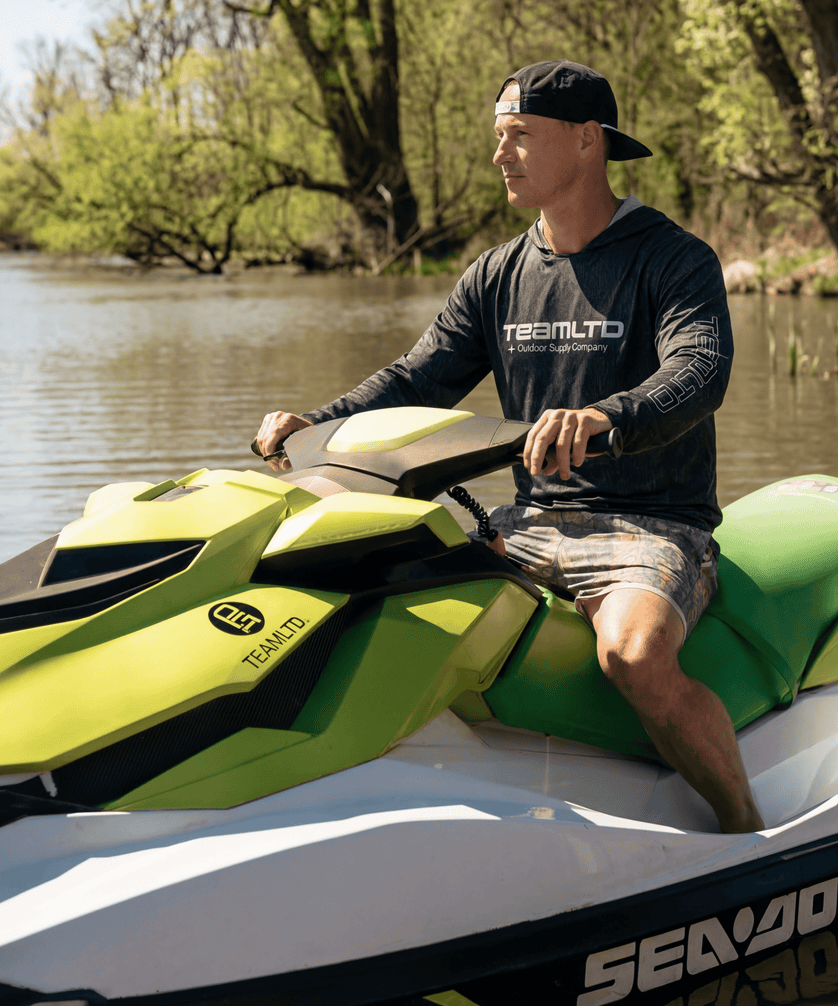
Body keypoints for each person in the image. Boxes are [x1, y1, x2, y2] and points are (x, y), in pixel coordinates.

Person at [256, 59, 763, 834]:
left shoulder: (673, 258)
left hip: (652, 527)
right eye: (499, 136)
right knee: (371, 599)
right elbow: (417, 379)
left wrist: (603, 417)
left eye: (520, 135)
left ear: (587, 140)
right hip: (527, 526)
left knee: (632, 656)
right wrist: (314, 428)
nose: (500, 155)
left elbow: (699, 372)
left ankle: (746, 828)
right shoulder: (496, 274)